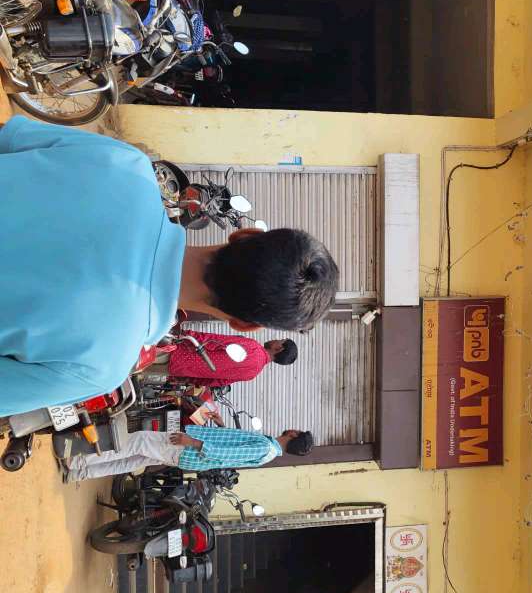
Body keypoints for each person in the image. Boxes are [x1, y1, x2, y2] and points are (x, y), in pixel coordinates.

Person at [0, 114, 339, 417]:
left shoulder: (127, 165)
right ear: (243, 324)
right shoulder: (101, 366)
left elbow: (8, 137)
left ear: (245, 234)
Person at [63, 425, 314, 482]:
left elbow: (225, 456)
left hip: (188, 449)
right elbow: (230, 446)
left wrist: (192, 441)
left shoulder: (265, 448)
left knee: (136, 441)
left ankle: (76, 461)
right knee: (136, 459)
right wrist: (220, 423)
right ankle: (79, 472)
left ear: (293, 435)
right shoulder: (267, 450)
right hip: (189, 454)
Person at [167, 333, 298, 387]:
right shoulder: (252, 374)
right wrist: (184, 378)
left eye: (279, 340)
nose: (275, 339)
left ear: (279, 348)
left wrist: (184, 334)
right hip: (175, 370)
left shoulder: (253, 347)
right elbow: (215, 382)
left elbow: (214, 341)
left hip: (176, 349)